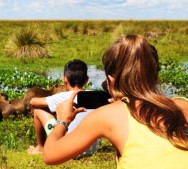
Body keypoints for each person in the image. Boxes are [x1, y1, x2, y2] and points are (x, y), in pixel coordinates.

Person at [42, 35, 188, 168]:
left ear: (111, 80)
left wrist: (62, 122)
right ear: (154, 75)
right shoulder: (183, 104)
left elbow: (50, 155)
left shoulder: (107, 115)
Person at [27, 59, 91, 155]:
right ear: (86, 80)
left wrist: (53, 104)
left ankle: (41, 147)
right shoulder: (95, 96)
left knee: (38, 109)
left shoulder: (62, 96)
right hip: (90, 149)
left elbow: (33, 101)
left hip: (66, 150)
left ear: (64, 79)